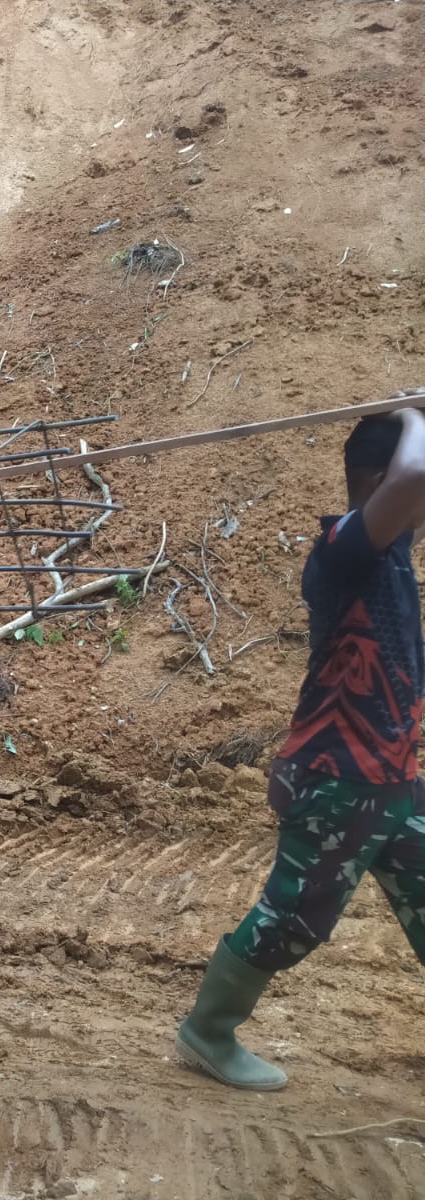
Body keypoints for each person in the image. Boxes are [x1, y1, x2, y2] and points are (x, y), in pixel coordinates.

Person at [176, 410, 425, 1091]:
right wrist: (413, 412)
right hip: (337, 777)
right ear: (376, 483)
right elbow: (417, 470)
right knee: (294, 918)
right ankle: (208, 1032)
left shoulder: (394, 553)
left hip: (394, 777)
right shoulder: (345, 551)